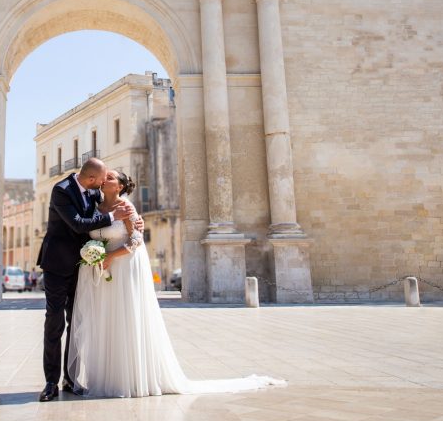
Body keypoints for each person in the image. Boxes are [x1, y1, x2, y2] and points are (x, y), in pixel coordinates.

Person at [67, 169, 286, 398]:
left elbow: (136, 238)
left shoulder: (128, 207)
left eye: (110, 178)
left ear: (119, 186)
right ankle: (106, 376)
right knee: (106, 320)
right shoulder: (94, 204)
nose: (104, 180)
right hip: (103, 272)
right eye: (105, 176)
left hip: (123, 266)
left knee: (126, 317)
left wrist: (112, 256)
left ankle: (129, 378)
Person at [36, 157, 138, 402]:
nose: (103, 184)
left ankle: (70, 379)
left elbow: (114, 209)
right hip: (57, 264)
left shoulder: (94, 193)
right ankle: (51, 382)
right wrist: (113, 218)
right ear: (91, 179)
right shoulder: (61, 190)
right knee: (54, 321)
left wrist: (135, 223)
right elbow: (79, 224)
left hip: (83, 267)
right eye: (102, 180)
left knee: (78, 323)